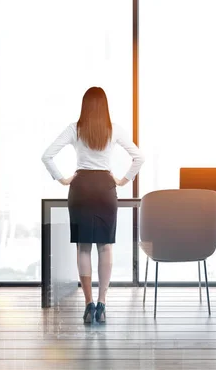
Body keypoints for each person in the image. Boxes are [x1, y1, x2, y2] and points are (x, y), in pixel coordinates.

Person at [41, 87, 145, 324]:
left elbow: (47, 155)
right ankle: (102, 304)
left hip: (81, 188)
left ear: (84, 106)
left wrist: (62, 179)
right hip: (105, 187)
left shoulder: (75, 129)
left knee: (83, 247)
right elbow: (139, 157)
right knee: (105, 247)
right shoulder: (113, 130)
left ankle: (88, 305)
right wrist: (123, 180)